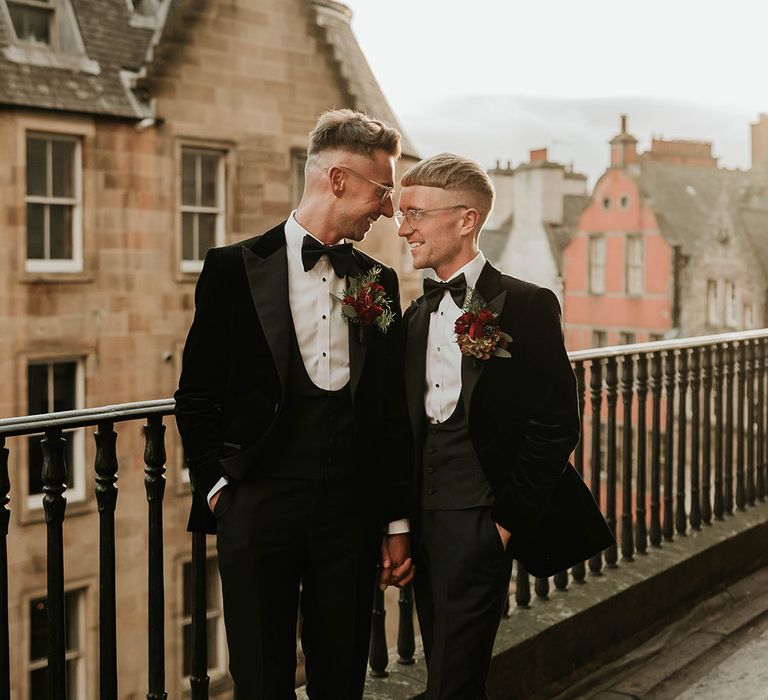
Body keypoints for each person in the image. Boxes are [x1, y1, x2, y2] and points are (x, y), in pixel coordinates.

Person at [174, 109, 414, 700]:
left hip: (350, 516)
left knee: (342, 680)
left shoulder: (379, 282)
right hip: (257, 506)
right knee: (260, 679)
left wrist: (393, 522)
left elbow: (387, 414)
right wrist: (217, 490)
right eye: (382, 190)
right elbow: (196, 393)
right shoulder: (233, 269)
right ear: (338, 181)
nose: (388, 209)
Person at [396, 153, 613, 699]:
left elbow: (557, 422)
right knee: (445, 665)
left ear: (466, 219)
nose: (404, 227)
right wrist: (397, 525)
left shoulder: (528, 305)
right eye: (403, 214)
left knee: (454, 678)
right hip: (422, 522)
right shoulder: (413, 318)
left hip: (481, 520)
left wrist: (506, 524)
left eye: (416, 213)